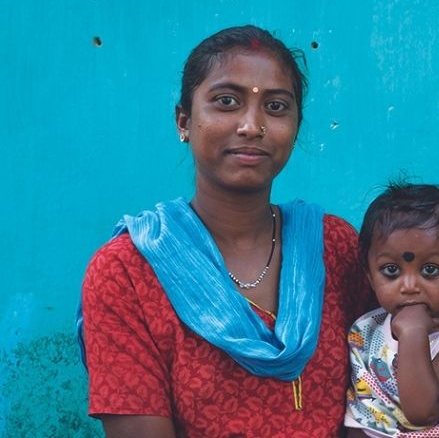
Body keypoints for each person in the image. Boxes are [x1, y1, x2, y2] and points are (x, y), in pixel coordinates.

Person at [79, 25, 374, 437]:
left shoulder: (334, 248)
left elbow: (381, 398)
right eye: (227, 101)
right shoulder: (127, 271)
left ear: (295, 126)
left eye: (276, 106)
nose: (252, 126)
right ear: (184, 121)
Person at [345, 183, 439, 437]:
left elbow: (421, 412)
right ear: (369, 274)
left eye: (430, 270)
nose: (409, 286)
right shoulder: (364, 332)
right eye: (391, 270)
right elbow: (360, 416)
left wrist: (412, 333)